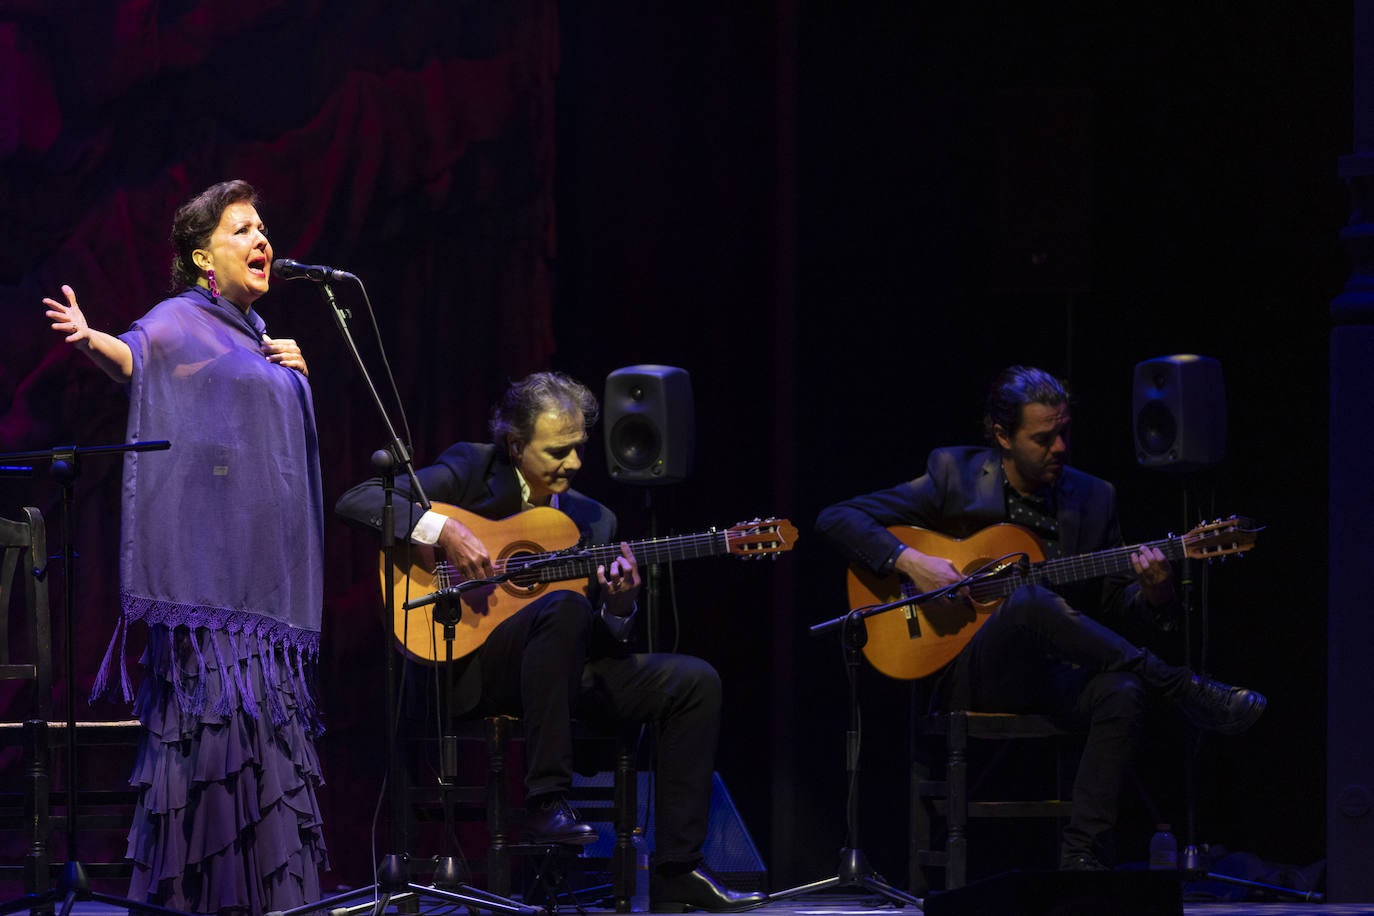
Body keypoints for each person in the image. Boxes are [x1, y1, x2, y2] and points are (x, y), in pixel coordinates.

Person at [335, 371, 767, 913]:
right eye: (559, 450)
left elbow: (602, 645)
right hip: (473, 667)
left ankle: (677, 870)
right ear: (515, 445)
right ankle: (546, 798)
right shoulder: (473, 465)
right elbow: (357, 501)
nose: (576, 463)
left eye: (580, 448)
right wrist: (439, 529)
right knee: (561, 605)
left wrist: (618, 606)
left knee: (694, 681)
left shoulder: (595, 519)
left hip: (558, 674)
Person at [815, 365, 1266, 871]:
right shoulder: (953, 474)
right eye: (1043, 437)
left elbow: (1117, 603)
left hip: (1057, 675)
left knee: (1122, 692)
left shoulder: (1096, 497)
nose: (1059, 448)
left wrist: (1154, 593)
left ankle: (1082, 859)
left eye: (1064, 433)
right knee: (1027, 600)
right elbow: (837, 518)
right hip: (974, 670)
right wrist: (911, 562)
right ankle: (1180, 686)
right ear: (1002, 436)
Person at [43, 179, 328, 915]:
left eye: (264, 227)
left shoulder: (262, 336)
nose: (262, 239)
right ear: (204, 256)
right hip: (206, 590)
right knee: (215, 734)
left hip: (262, 584)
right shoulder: (180, 321)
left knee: (266, 739)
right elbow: (139, 358)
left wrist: (295, 378)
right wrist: (90, 338)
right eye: (242, 230)